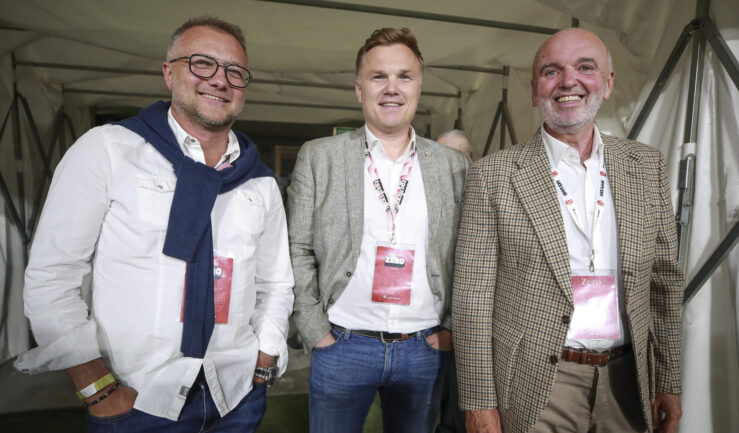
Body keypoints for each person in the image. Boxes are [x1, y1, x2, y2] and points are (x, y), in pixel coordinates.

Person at [14, 16, 294, 432]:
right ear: (169, 73)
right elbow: (52, 277)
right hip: (137, 400)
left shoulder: (260, 182)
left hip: (235, 396)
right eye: (202, 63)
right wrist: (99, 390)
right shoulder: (108, 150)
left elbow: (274, 283)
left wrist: (266, 354)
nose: (220, 80)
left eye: (235, 71)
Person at [452, 28, 684, 433]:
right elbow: (472, 298)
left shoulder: (647, 167)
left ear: (608, 82)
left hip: (628, 380)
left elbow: (665, 282)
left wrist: (669, 380)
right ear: (534, 89)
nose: (568, 81)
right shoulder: (493, 175)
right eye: (551, 71)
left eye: (585, 67)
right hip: (538, 383)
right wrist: (478, 401)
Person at [287, 27, 469, 433]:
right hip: (342, 345)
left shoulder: (452, 166)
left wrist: (452, 328)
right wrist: (316, 331)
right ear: (359, 89)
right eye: (378, 77)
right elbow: (296, 247)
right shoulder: (320, 157)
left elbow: (470, 253)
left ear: (419, 87)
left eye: (404, 76)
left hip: (424, 348)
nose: (392, 89)